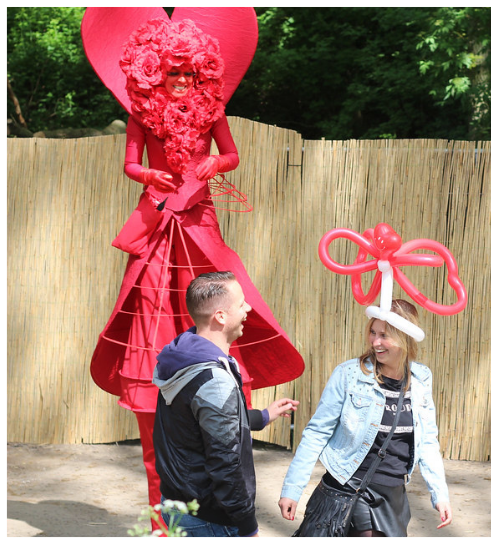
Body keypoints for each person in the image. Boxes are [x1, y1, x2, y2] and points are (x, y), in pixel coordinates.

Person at [87, 15, 305, 518]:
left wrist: (213, 164)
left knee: (222, 292)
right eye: (172, 74)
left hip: (200, 218)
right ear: (155, 73)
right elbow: (130, 164)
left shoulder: (212, 112)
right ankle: (163, 516)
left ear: (201, 74)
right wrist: (149, 174)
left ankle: (224, 376)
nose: (181, 81)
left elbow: (230, 156)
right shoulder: (143, 112)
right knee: (149, 301)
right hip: (160, 217)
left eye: (188, 74)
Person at [278, 299, 453, 537]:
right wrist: (292, 488)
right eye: (373, 332)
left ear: (405, 337)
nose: (376, 342)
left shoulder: (421, 378)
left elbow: (428, 441)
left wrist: (439, 494)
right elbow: (317, 432)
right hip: (351, 486)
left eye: (385, 335)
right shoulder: (349, 375)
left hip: (394, 494)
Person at [153, 271, 300, 537]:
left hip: (177, 504)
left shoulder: (183, 355)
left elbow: (196, 422)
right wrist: (247, 526)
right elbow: (226, 464)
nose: (249, 308)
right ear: (220, 316)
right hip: (209, 517)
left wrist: (264, 415)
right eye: (242, 303)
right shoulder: (214, 379)